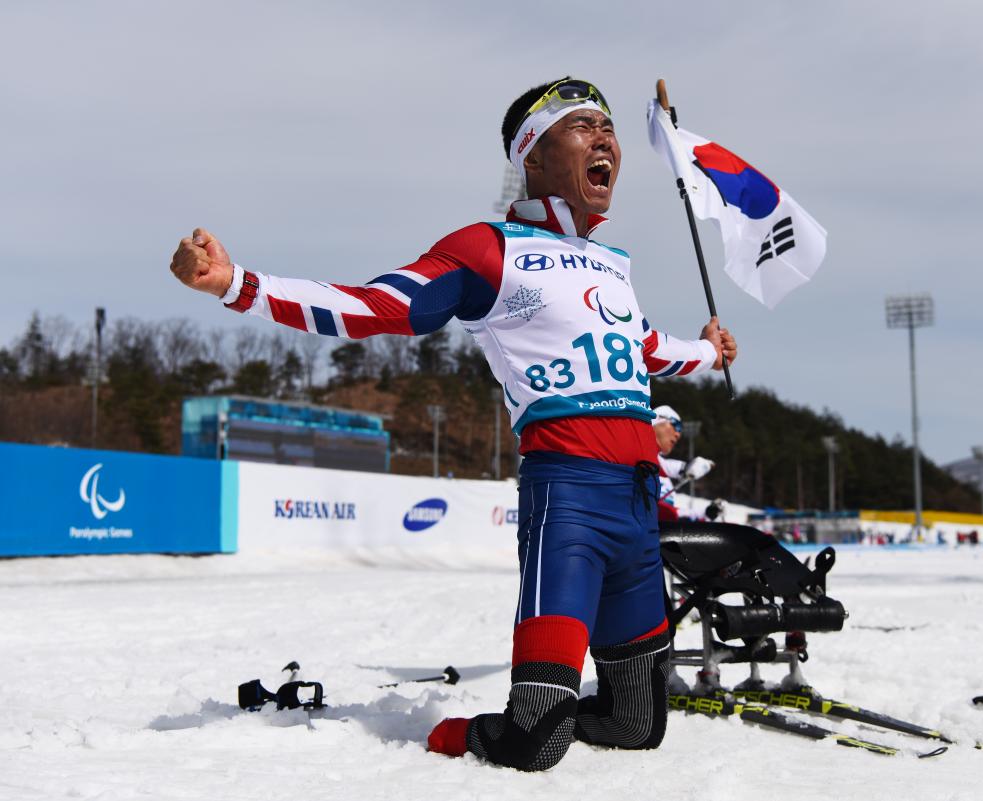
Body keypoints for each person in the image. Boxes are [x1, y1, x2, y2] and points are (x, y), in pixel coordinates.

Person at [169, 77, 737, 771]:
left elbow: (645, 347)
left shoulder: (612, 266)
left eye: (609, 129)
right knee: (535, 743)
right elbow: (375, 305)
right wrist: (237, 283)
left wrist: (708, 350)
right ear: (533, 155)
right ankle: (447, 735)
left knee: (637, 724)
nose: (606, 139)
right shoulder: (488, 248)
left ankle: (561, 705)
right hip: (571, 504)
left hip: (637, 505)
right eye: (583, 126)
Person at [650, 405, 713, 522]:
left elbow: (670, 513)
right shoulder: (633, 454)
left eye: (680, 430)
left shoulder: (661, 468)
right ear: (656, 420)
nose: (678, 434)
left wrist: (705, 513)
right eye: (676, 426)